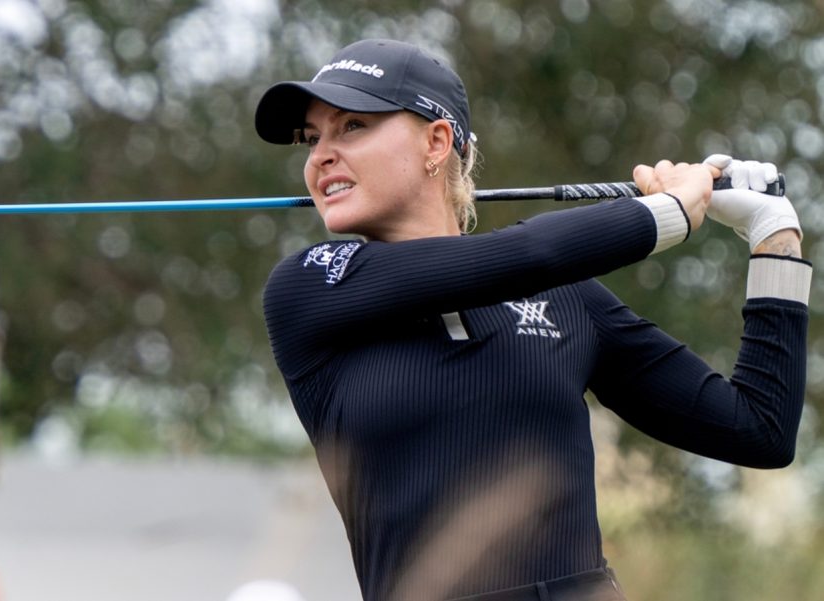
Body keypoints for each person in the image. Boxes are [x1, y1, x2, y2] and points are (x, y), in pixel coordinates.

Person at [253, 39, 810, 601]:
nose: (320, 155)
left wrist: (774, 237)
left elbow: (758, 429)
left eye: (351, 126)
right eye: (311, 138)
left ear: (437, 141)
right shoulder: (311, 285)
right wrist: (670, 213)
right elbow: (528, 255)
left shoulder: (567, 299)